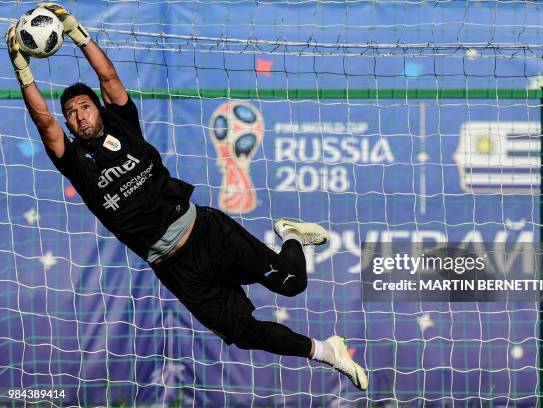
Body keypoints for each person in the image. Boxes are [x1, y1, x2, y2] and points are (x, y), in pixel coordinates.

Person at [6, 3, 368, 391]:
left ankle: (291, 234)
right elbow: (44, 122)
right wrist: (22, 68)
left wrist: (76, 32)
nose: (79, 116)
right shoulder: (74, 160)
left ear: (99, 110)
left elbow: (108, 75)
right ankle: (327, 351)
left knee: (292, 282)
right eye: (72, 113)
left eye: (85, 106)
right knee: (244, 334)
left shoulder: (124, 125)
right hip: (174, 266)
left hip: (205, 231)